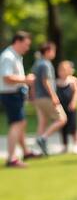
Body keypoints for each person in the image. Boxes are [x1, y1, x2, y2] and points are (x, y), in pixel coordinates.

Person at [0, 31, 37, 167]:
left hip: (15, 94)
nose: (27, 48)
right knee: (17, 124)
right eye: (26, 44)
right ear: (18, 42)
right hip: (11, 95)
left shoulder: (15, 56)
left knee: (21, 123)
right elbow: (7, 77)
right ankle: (11, 158)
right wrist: (26, 80)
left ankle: (26, 151)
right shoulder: (8, 56)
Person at [32, 42, 67, 156]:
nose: (54, 53)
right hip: (46, 97)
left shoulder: (37, 64)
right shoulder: (46, 64)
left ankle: (37, 150)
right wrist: (54, 96)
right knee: (62, 119)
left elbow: (33, 81)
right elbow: (45, 81)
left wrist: (32, 96)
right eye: (53, 51)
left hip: (38, 98)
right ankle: (43, 138)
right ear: (47, 51)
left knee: (42, 122)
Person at [56, 61, 77, 154]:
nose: (63, 72)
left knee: (73, 125)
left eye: (65, 70)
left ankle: (76, 144)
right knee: (63, 126)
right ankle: (65, 145)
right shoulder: (57, 82)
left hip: (71, 106)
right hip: (61, 107)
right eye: (61, 70)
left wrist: (74, 101)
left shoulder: (73, 80)